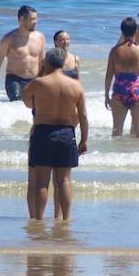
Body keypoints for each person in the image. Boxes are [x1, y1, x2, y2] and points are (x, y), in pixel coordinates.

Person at [22, 47, 90, 220]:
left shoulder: (39, 83)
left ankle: (38, 219)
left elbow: (27, 103)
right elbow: (82, 115)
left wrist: (42, 73)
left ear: (48, 62)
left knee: (42, 181)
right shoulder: (76, 86)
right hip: (67, 133)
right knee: (64, 180)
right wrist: (84, 140)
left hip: (43, 132)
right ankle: (66, 219)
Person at [104, 16, 139, 137]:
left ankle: (116, 155)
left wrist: (106, 95)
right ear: (136, 31)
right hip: (138, 92)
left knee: (116, 132)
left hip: (119, 92)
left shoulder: (114, 51)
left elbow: (109, 74)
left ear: (122, 31)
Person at [0, 5, 46, 102]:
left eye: (36, 19)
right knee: (17, 102)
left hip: (34, 80)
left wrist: (44, 82)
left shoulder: (40, 37)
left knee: (37, 107)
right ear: (22, 20)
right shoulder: (9, 39)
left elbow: (43, 63)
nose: (36, 22)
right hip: (15, 80)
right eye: (32, 19)